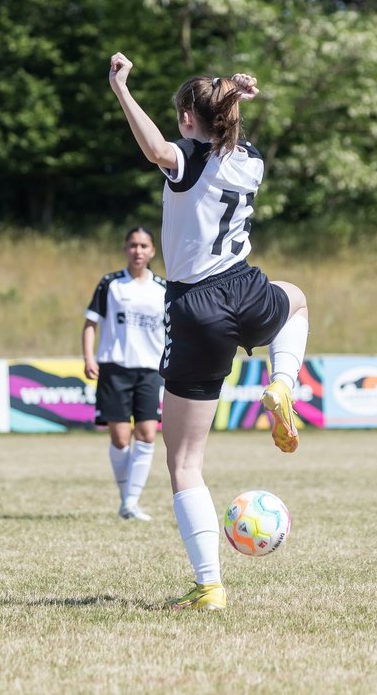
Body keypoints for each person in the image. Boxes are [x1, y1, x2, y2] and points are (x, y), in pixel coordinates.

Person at [108, 52, 310, 611]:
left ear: (186, 119)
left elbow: (156, 150)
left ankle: (210, 586)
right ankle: (284, 381)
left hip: (198, 306)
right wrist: (232, 105)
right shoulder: (252, 161)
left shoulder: (189, 161)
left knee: (184, 462)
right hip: (247, 289)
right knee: (294, 302)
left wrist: (122, 89)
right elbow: (222, 135)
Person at [82, 227, 167, 522]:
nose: (138, 251)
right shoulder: (110, 284)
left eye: (144, 246)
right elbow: (91, 323)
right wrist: (89, 356)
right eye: (133, 245)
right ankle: (126, 500)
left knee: (147, 435)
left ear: (153, 251)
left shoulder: (163, 288)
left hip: (148, 370)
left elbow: (173, 332)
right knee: (120, 439)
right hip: (115, 368)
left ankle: (131, 503)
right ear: (125, 249)